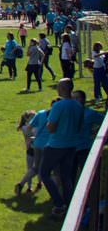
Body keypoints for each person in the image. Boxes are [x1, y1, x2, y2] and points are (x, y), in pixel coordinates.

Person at [41, 78, 84, 216]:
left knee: (44, 174)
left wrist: (50, 127)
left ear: (63, 89)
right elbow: (78, 127)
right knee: (66, 177)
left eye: (58, 87)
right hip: (71, 145)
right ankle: (69, 204)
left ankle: (59, 203)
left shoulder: (58, 106)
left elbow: (51, 127)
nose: (57, 89)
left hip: (56, 145)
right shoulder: (78, 106)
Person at [73, 90, 105, 180]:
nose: (74, 101)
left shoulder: (89, 113)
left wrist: (97, 132)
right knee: (69, 177)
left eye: (76, 98)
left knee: (88, 176)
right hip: (70, 149)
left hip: (84, 148)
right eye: (72, 99)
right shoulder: (68, 113)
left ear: (83, 100)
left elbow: (105, 122)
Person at [16, 110, 43, 195]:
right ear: (27, 119)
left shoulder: (36, 126)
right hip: (31, 150)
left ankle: (39, 183)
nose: (35, 119)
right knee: (30, 168)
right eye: (33, 117)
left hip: (37, 149)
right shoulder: (25, 128)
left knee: (38, 168)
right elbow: (30, 135)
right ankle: (29, 187)